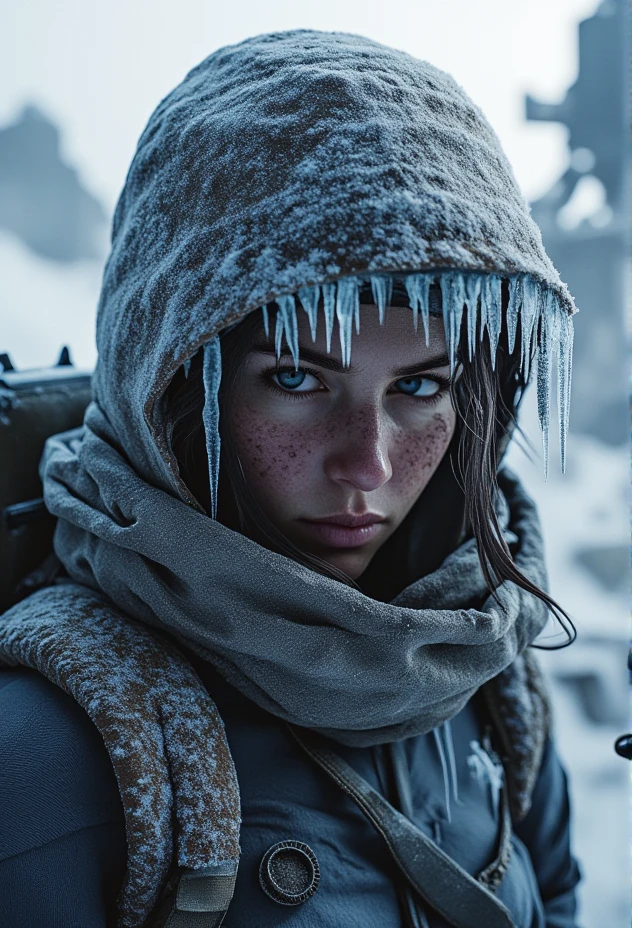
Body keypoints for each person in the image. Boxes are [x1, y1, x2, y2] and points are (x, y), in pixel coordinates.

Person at [0, 28, 582, 928]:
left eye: (420, 386)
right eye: (297, 379)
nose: (369, 466)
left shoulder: (491, 674)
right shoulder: (51, 766)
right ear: (173, 390)